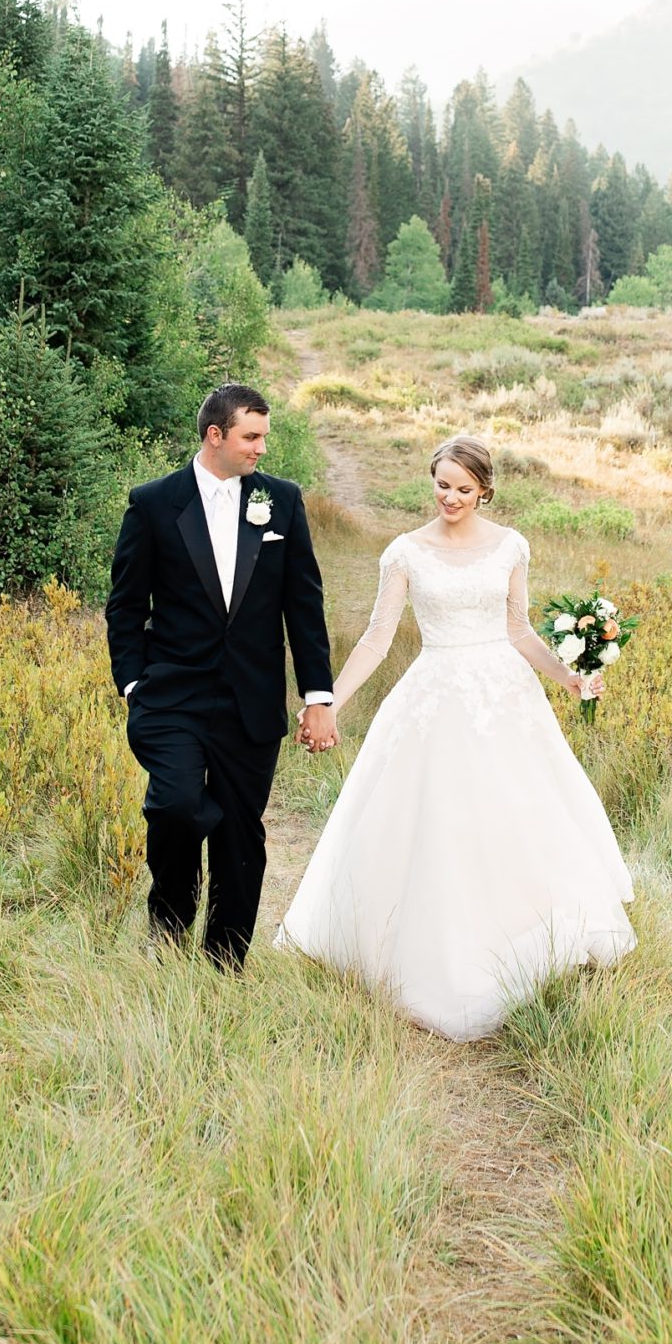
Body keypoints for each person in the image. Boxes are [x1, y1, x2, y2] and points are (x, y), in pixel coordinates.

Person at [277, 433, 635, 1039]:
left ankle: (534, 938)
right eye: (443, 484)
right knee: (439, 821)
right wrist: (330, 702)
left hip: (505, 696)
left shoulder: (510, 547)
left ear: (485, 490)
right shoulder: (405, 554)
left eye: (464, 489)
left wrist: (567, 679)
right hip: (436, 693)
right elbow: (376, 639)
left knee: (519, 813)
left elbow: (520, 631)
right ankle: (430, 952)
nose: (451, 497)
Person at [105, 383, 334, 966]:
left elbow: (303, 606)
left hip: (250, 699)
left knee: (239, 831)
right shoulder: (155, 503)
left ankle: (225, 960)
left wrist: (317, 696)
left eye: (263, 436)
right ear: (216, 435)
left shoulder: (280, 501)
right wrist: (133, 683)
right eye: (250, 437)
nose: (261, 448)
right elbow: (127, 606)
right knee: (177, 805)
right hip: (171, 696)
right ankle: (170, 926)